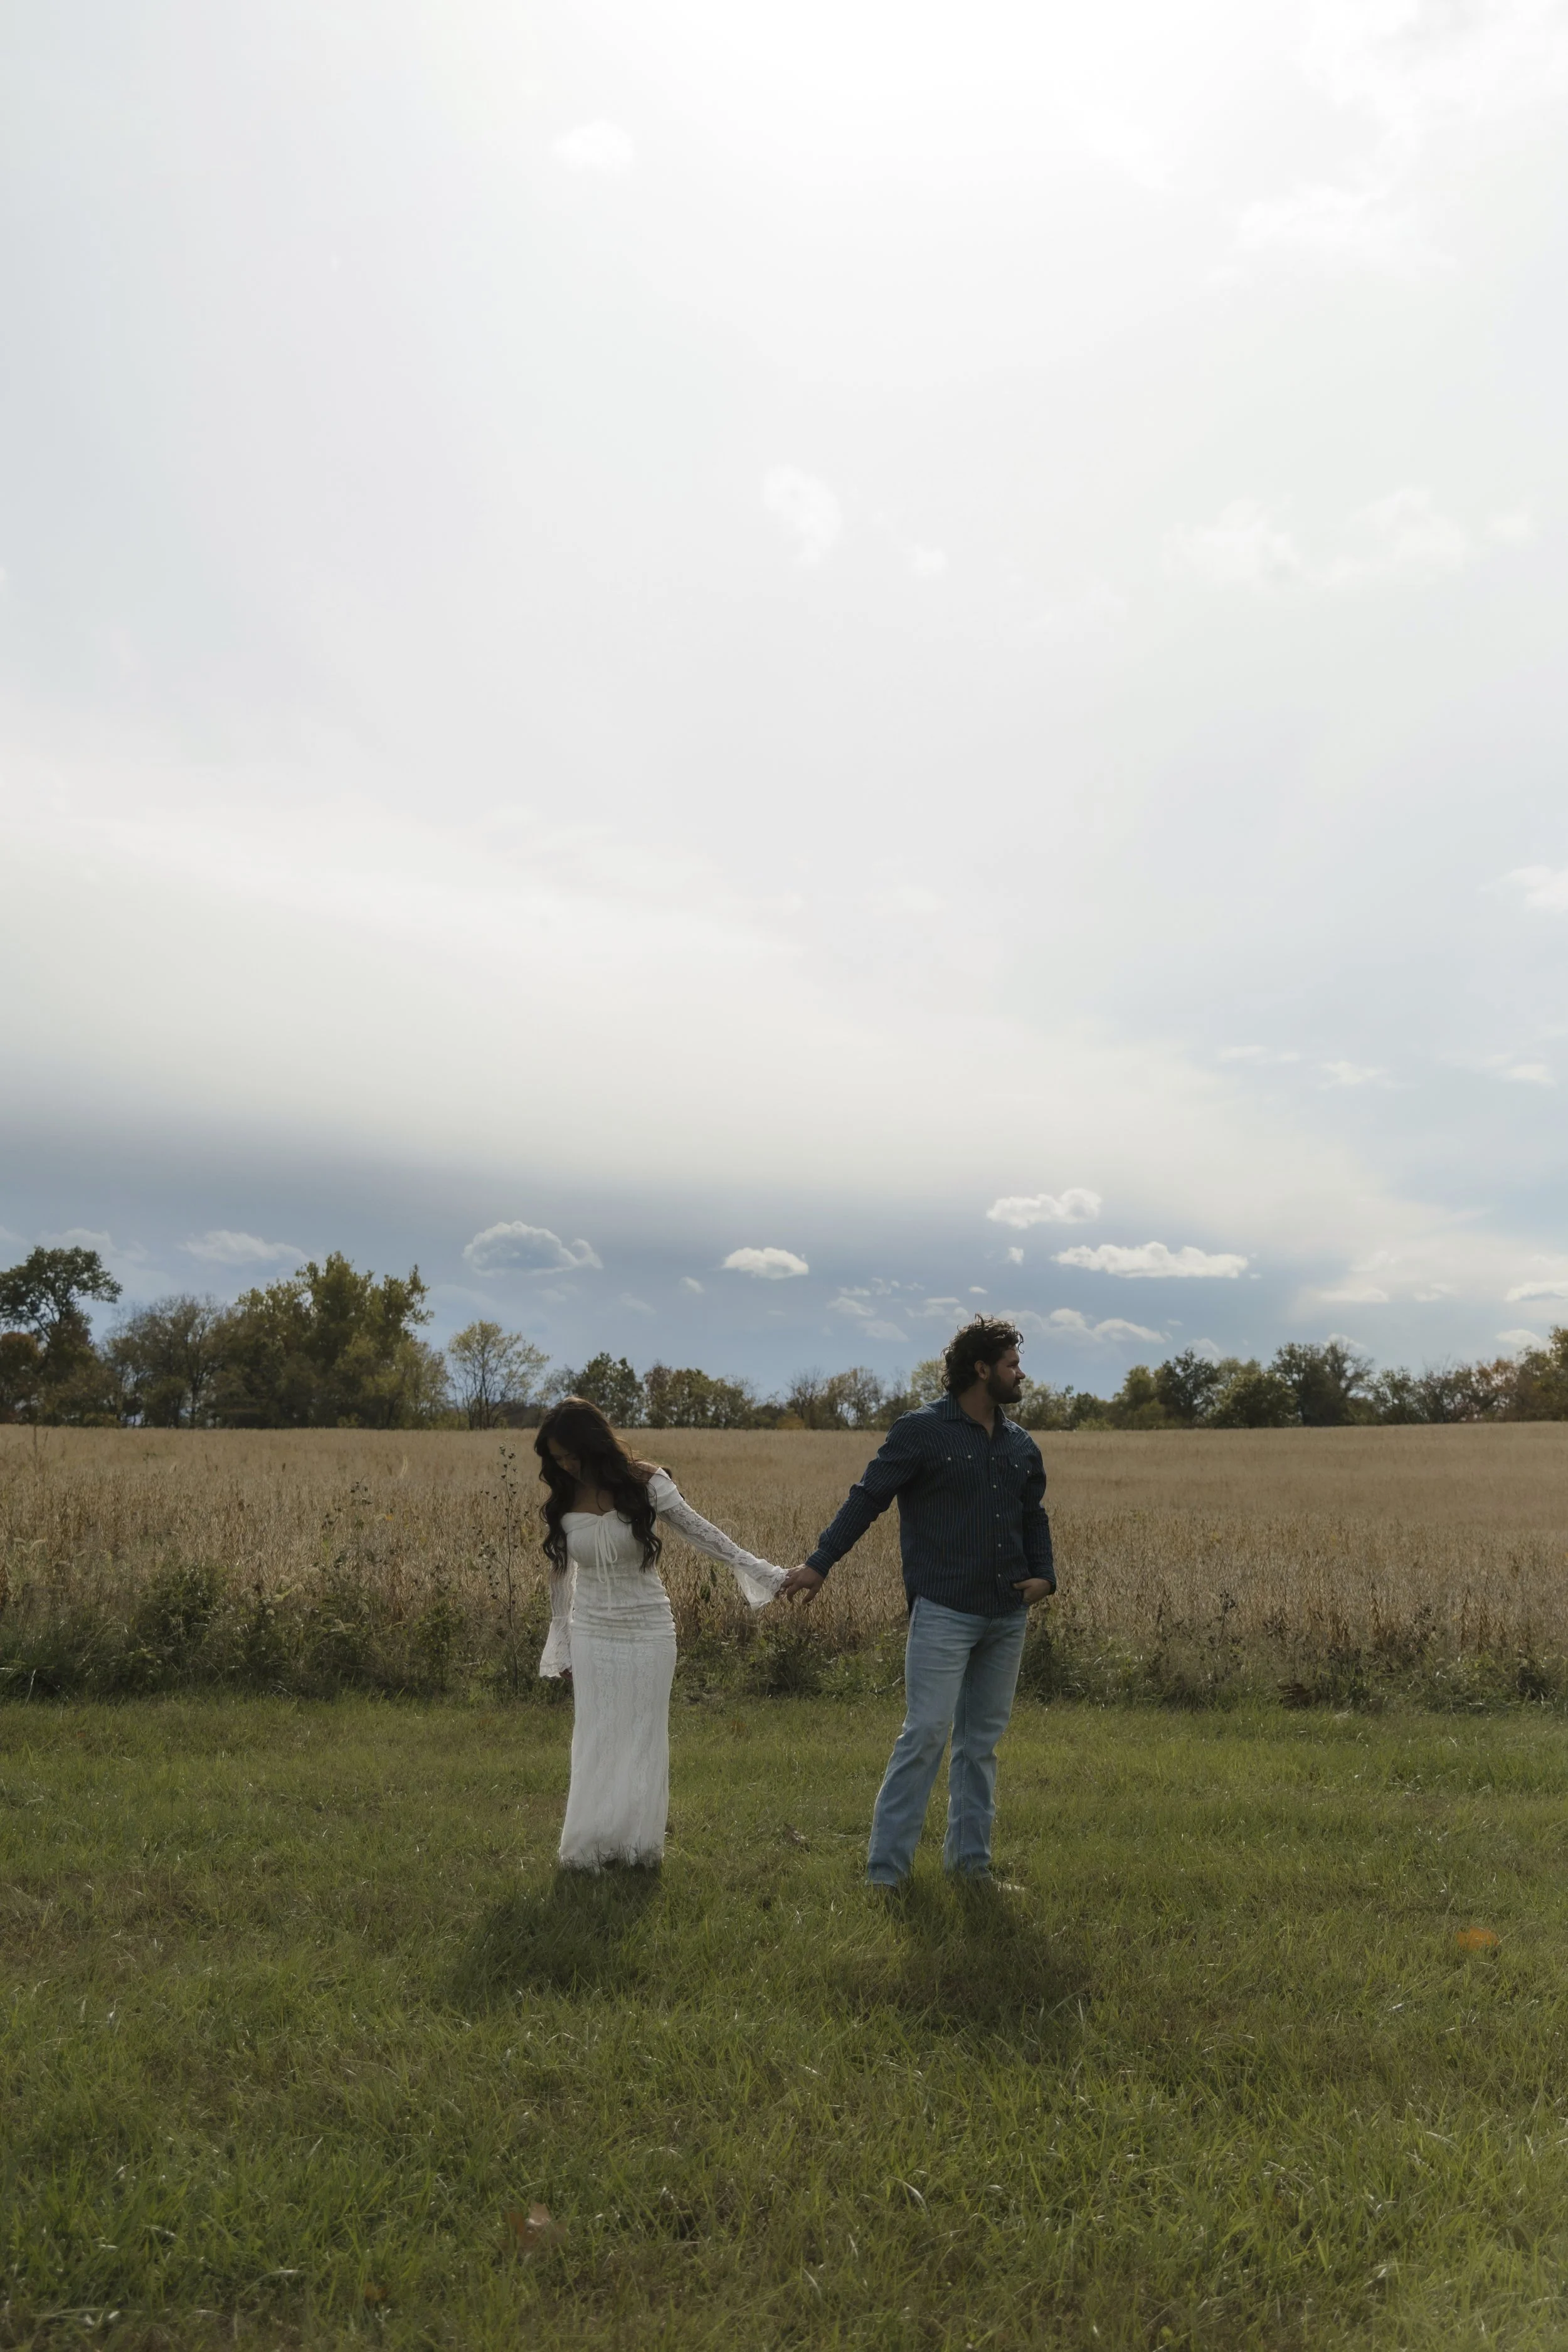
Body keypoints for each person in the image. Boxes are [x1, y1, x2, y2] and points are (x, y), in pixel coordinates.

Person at [780, 1318, 1054, 1888]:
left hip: (1007, 1616)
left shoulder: (1020, 1443)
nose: (1020, 1373)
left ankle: (971, 1868)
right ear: (981, 1368)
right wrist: (819, 1564)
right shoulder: (921, 1431)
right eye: (1011, 1364)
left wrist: (1044, 1576)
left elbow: (1034, 1515)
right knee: (927, 1733)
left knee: (980, 1747)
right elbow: (869, 1497)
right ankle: (885, 1875)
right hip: (945, 1612)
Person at [534, 1397, 787, 1870]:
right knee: (596, 1732)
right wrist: (562, 1642)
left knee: (643, 1734)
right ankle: (589, 1846)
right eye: (557, 1459)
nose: (566, 1466)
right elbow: (559, 1574)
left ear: (595, 1445)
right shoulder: (564, 1497)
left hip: (649, 1627)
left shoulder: (646, 1483)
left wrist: (766, 1574)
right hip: (592, 1629)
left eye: (572, 1455)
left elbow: (704, 1533)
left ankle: (636, 1848)